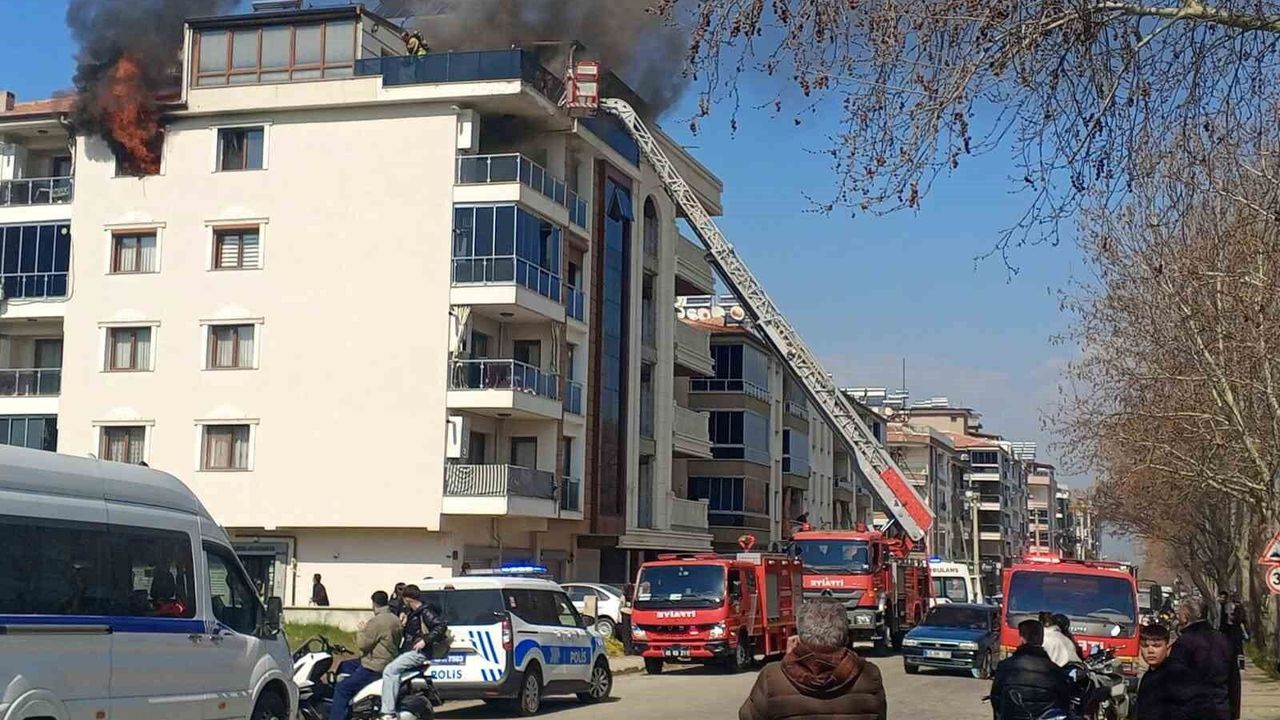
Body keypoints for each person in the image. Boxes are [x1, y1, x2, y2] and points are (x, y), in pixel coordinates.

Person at [738, 599, 886, 720]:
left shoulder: (772, 677)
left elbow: (747, 716)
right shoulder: (868, 674)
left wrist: (789, 661)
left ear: (800, 636)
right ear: (845, 635)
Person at [330, 591, 402, 720]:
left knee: (342, 689)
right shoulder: (395, 619)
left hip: (374, 666)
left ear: (374, 604)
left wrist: (361, 630)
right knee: (344, 665)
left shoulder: (376, 622)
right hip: (389, 660)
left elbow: (362, 645)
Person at [381, 584, 447, 720]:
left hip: (419, 653)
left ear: (407, 599)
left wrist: (425, 641)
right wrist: (404, 619)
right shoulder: (412, 612)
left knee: (390, 671)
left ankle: (388, 712)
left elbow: (440, 626)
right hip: (410, 650)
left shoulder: (425, 611)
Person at [989, 620, 1071, 720]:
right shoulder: (1055, 670)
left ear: (1021, 638)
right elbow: (1064, 702)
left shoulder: (1005, 666)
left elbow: (996, 698)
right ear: (1041, 639)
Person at [1170, 596, 1234, 720]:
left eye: (1179, 612)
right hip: (1221, 709)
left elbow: (1175, 680)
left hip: (1193, 710)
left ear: (1186, 615)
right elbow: (1233, 679)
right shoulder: (1223, 639)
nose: (1178, 616)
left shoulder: (1184, 642)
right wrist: (1234, 711)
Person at [1133, 623, 1188, 720]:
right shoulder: (1148, 675)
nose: (1150, 651)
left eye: (1157, 646)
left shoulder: (1177, 675)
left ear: (1167, 647)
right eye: (1145, 646)